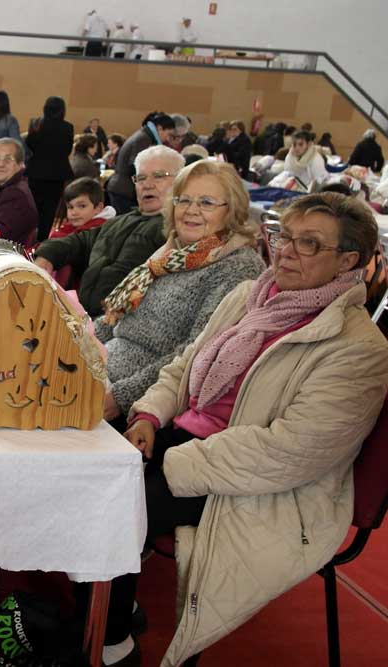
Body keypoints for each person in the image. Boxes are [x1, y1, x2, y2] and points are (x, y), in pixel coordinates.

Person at [103, 191, 388, 666]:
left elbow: (289, 453)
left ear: (349, 260)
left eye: (310, 244)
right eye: (284, 237)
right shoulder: (250, 296)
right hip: (193, 443)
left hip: (260, 482)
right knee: (94, 477)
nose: (287, 252)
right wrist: (150, 416)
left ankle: (112, 645)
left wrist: (174, 461)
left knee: (114, 508)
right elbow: (183, 367)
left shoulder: (357, 347)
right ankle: (111, 614)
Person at [96, 161, 265, 425]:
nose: (191, 211)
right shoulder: (171, 253)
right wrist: (75, 344)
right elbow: (114, 320)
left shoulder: (239, 267)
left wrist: (118, 397)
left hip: (140, 404)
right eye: (183, 200)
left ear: (231, 210)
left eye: (207, 203)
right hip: (100, 371)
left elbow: (193, 355)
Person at [34, 145, 183, 316]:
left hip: (120, 324)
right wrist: (46, 255)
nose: (147, 185)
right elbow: (79, 241)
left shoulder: (176, 229)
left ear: (180, 181)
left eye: (158, 176)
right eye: (140, 178)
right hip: (80, 317)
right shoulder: (118, 221)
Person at [106, 112, 176, 213]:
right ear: (160, 128)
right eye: (168, 134)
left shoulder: (144, 135)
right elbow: (136, 166)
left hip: (121, 187)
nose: (167, 138)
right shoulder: (144, 138)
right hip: (123, 189)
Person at [24, 96, 74, 240]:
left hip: (36, 172)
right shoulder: (68, 127)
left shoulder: (35, 123)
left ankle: (29, 239)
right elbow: (67, 150)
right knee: (49, 210)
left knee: (33, 208)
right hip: (56, 175)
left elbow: (30, 144)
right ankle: (42, 240)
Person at [46, 177, 115, 240]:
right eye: (70, 207)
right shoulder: (72, 227)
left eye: (82, 206)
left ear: (98, 208)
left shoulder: (97, 233)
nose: (74, 212)